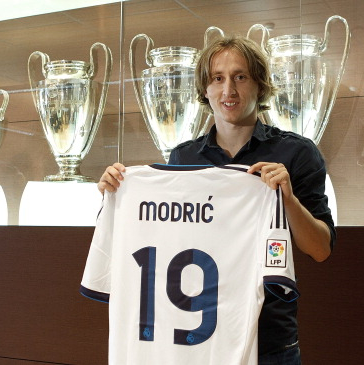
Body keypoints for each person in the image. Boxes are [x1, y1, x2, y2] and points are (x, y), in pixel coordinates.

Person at [98, 34, 336, 365]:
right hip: (197, 340)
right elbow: (163, 236)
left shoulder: (297, 153)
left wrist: (288, 199)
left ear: (259, 85)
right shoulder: (183, 157)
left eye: (240, 77)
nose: (229, 91)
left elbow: (320, 249)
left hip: (269, 343)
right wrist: (117, 194)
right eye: (218, 79)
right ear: (205, 90)